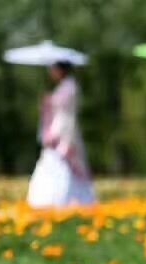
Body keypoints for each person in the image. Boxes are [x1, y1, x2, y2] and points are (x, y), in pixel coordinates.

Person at [27, 61, 95, 207]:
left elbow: (66, 115)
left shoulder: (69, 87)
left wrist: (49, 104)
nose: (50, 71)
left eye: (52, 68)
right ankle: (52, 200)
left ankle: (63, 200)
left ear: (60, 69)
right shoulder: (64, 87)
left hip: (62, 134)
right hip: (57, 130)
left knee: (63, 166)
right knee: (53, 166)